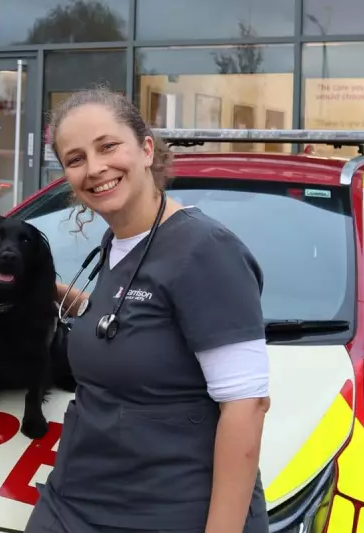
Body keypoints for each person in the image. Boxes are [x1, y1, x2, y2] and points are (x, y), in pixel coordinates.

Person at [30, 87, 271, 533]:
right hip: (78, 500)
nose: (95, 168)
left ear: (145, 149)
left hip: (169, 511)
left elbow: (247, 406)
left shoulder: (204, 250)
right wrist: (42, 291)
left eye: (107, 146)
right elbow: (131, 323)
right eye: (76, 159)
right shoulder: (118, 244)